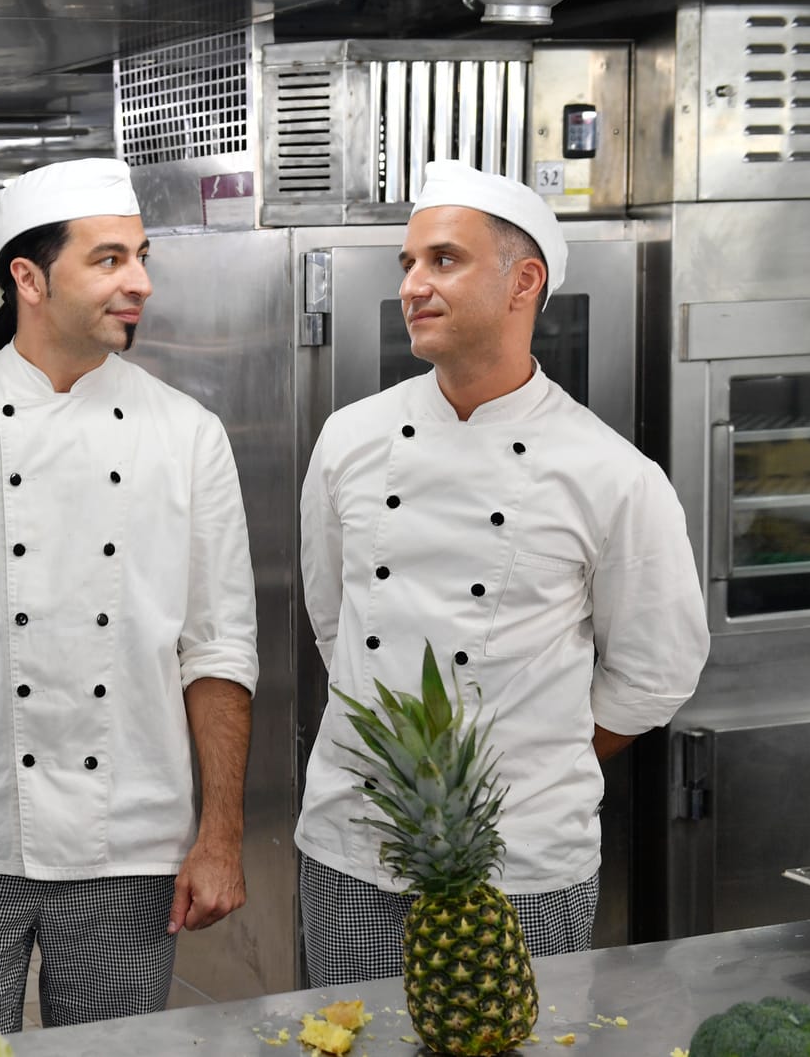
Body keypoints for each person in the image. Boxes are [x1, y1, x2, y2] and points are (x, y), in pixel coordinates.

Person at [0, 157, 258, 1032]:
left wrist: (218, 834)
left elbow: (218, 650)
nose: (139, 281)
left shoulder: (189, 435)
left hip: (131, 840)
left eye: (141, 256)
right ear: (28, 279)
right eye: (108, 260)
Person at [295, 160, 709, 985]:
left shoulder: (610, 473)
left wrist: (532, 754)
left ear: (524, 281)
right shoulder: (349, 438)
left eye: (443, 260)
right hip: (350, 840)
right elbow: (334, 617)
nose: (414, 284)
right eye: (408, 264)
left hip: (517, 864)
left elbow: (657, 670)